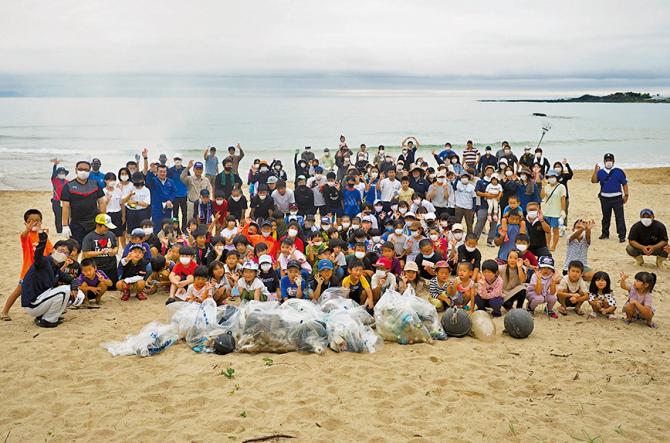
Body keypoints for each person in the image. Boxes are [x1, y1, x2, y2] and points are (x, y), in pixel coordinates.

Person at [1, 209, 54, 321]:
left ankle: (44, 313)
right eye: (30, 221)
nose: (34, 223)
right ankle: (4, 311)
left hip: (41, 270)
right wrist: (27, 229)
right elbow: (23, 236)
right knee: (19, 290)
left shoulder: (43, 236)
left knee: (45, 291)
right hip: (28, 271)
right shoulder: (27, 236)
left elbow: (50, 252)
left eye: (37, 220)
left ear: (41, 222)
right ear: (26, 223)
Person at [21, 229, 79, 328]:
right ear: (53, 250)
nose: (62, 254)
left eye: (65, 253)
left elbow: (72, 279)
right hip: (32, 303)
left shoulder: (56, 269)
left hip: (40, 301)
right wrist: (43, 238)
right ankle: (49, 320)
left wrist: (74, 288)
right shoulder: (44, 261)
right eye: (60, 250)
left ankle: (45, 316)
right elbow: (38, 255)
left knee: (74, 293)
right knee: (64, 290)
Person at [61, 160, 107, 245]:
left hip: (93, 222)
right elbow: (65, 207)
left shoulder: (95, 184)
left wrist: (103, 220)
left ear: (89, 171)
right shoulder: (68, 186)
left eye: (86, 170)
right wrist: (65, 225)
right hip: (76, 223)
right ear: (76, 170)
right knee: (75, 248)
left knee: (93, 247)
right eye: (81, 169)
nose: (83, 172)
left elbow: (102, 202)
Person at [591, 153, 628, 242]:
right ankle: (605, 233)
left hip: (617, 198)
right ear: (604, 161)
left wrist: (626, 195)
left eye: (610, 160)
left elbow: (624, 183)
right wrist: (595, 171)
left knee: (619, 217)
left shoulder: (619, 171)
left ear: (613, 161)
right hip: (604, 198)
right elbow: (594, 181)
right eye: (607, 160)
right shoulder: (600, 172)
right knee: (606, 217)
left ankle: (622, 236)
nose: (608, 162)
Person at [81, 214, 119, 286]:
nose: (107, 229)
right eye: (105, 227)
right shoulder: (89, 237)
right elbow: (86, 254)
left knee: (113, 286)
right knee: (100, 285)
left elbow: (116, 247)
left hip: (111, 266)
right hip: (97, 267)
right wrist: (101, 252)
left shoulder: (111, 234)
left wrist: (114, 251)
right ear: (98, 226)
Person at [143, 151, 176, 232]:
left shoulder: (170, 181)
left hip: (168, 208)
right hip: (156, 209)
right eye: (160, 171)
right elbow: (147, 183)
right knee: (156, 228)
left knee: (167, 228)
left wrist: (170, 200)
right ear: (157, 172)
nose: (162, 173)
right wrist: (150, 170)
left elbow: (174, 192)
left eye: (164, 172)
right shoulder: (153, 181)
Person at [540, 169, 567, 251]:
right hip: (546, 211)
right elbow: (542, 196)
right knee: (547, 230)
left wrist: (563, 210)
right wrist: (544, 186)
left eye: (553, 176)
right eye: (549, 177)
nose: (551, 178)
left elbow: (563, 199)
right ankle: (547, 245)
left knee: (555, 230)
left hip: (556, 212)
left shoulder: (561, 187)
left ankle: (554, 245)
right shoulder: (547, 186)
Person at [167, 154, 189, 230]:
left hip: (184, 195)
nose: (177, 160)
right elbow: (168, 182)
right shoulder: (170, 170)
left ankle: (184, 228)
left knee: (184, 213)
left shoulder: (185, 169)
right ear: (173, 160)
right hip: (175, 196)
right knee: (175, 214)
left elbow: (189, 180)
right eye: (176, 159)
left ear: (181, 160)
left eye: (179, 159)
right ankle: (177, 229)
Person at [50, 158, 69, 233]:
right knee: (58, 217)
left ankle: (66, 229)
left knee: (66, 216)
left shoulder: (68, 182)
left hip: (65, 202)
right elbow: (53, 174)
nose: (62, 174)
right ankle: (59, 231)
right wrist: (55, 165)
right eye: (60, 173)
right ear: (57, 174)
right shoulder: (54, 180)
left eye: (63, 173)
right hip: (56, 202)